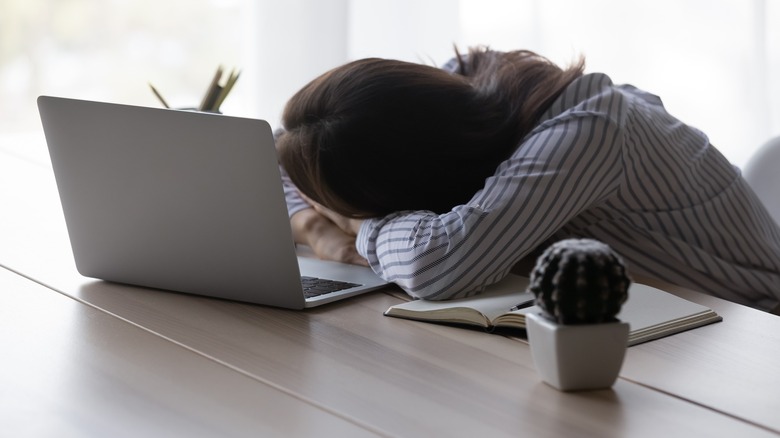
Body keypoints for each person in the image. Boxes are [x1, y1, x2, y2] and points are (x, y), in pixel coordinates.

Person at [275, 46, 780, 312]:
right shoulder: (457, 90)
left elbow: (439, 264)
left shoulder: (589, 129)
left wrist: (356, 230)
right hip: (644, 320)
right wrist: (320, 230)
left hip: (750, 330)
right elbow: (284, 150)